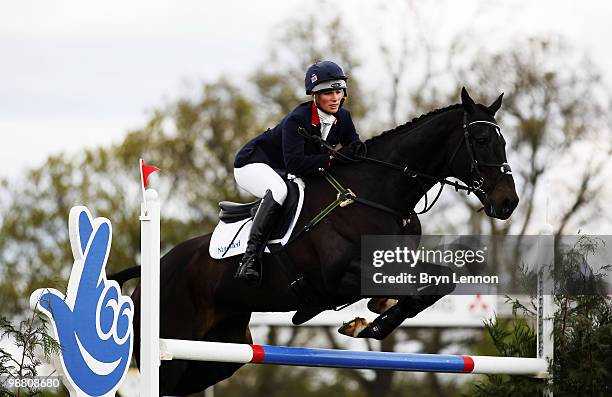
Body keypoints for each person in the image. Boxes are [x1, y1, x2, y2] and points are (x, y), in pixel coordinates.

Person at [232, 60, 363, 286]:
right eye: (328, 92)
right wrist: (332, 158)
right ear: (314, 96)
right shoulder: (297, 119)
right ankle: (250, 258)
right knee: (279, 191)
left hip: (284, 168)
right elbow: (295, 164)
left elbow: (354, 148)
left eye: (338, 91)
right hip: (254, 163)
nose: (335, 98)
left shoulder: (344, 118)